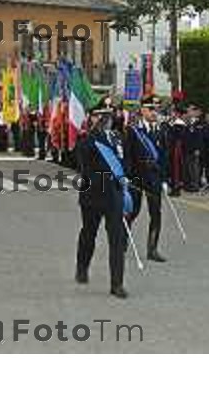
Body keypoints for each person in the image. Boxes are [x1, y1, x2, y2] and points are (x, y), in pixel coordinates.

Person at [75, 99, 131, 298]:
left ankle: (117, 284)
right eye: (100, 115)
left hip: (113, 196)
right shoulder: (86, 139)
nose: (104, 119)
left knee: (116, 239)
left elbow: (125, 163)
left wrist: (125, 180)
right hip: (92, 196)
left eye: (107, 115)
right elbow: (83, 165)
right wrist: (92, 132)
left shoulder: (117, 138)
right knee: (89, 234)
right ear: (91, 117)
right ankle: (82, 267)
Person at [124, 95, 168, 263]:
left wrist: (165, 179)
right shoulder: (133, 131)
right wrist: (127, 176)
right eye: (151, 109)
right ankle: (123, 241)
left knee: (156, 213)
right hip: (137, 177)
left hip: (154, 178)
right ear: (142, 110)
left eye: (156, 109)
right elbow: (128, 156)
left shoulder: (161, 130)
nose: (154, 112)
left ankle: (152, 248)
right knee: (133, 211)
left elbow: (165, 156)